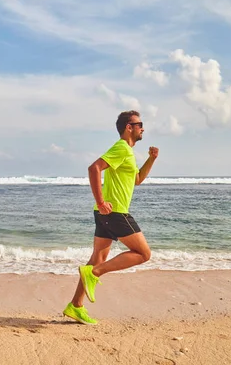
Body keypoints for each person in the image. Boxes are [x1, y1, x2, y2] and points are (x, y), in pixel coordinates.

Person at [63, 110, 159, 325]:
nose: (142, 128)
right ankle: (96, 273)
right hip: (114, 212)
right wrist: (100, 202)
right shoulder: (122, 148)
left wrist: (151, 160)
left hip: (105, 214)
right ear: (129, 127)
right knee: (143, 253)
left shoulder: (128, 153)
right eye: (139, 124)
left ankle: (75, 306)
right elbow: (94, 168)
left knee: (97, 257)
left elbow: (137, 179)